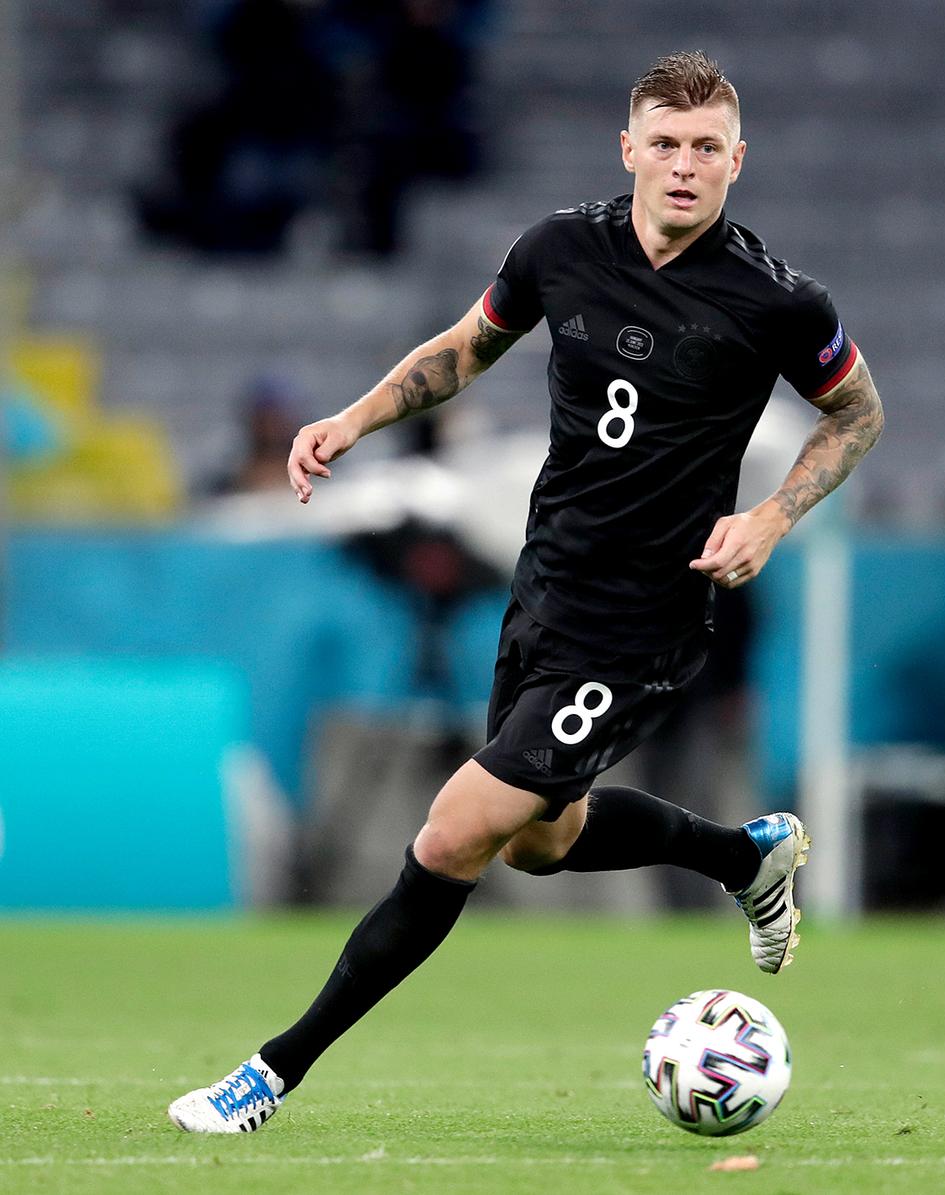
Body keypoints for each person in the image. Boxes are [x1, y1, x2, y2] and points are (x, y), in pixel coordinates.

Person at [167, 50, 884, 1133]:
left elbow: (858, 415)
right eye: (665, 144)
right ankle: (746, 854)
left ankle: (271, 1072)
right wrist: (351, 423)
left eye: (705, 149)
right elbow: (466, 350)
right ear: (629, 149)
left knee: (454, 832)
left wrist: (771, 518)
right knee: (543, 842)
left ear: (737, 161)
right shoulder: (560, 249)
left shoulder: (779, 300)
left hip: (646, 615)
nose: (683, 167)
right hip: (544, 584)